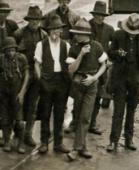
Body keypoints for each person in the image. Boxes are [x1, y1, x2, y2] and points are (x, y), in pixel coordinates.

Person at [106, 13, 139, 152]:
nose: (132, 34)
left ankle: (129, 140)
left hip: (136, 79)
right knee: (118, 110)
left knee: (131, 110)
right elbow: (110, 52)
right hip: (120, 77)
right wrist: (117, 53)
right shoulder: (118, 35)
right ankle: (113, 141)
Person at [66, 18, 107, 161]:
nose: (75, 36)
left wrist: (94, 78)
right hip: (78, 84)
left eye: (78, 33)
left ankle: (75, 149)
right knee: (78, 116)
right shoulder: (74, 48)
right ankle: (83, 147)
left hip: (91, 85)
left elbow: (104, 65)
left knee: (85, 117)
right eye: (75, 33)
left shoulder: (97, 46)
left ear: (85, 34)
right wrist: (81, 54)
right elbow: (71, 70)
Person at [34, 15, 70, 154]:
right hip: (46, 82)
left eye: (58, 29)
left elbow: (69, 64)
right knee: (45, 113)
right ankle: (44, 142)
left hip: (61, 82)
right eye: (53, 29)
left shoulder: (66, 45)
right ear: (48, 31)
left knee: (60, 113)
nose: (55, 32)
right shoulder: (41, 44)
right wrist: (40, 80)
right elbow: (37, 64)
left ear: (61, 31)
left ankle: (58, 143)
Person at [15, 5, 47, 147]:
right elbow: (13, 55)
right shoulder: (19, 34)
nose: (35, 22)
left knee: (33, 105)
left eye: (37, 19)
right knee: (18, 103)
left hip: (37, 74)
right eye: (33, 19)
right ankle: (18, 132)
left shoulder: (44, 35)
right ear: (28, 20)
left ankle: (28, 134)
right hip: (21, 75)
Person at [88, 0, 114, 134]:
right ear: (93, 14)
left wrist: (112, 59)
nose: (100, 17)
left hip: (101, 69)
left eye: (102, 15)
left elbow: (116, 48)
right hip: (85, 67)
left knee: (97, 96)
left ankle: (92, 124)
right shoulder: (86, 26)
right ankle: (75, 123)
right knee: (80, 96)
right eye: (98, 15)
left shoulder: (109, 30)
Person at [0, 37, 29, 153]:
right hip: (3, 94)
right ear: (4, 51)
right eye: (8, 50)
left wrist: (22, 92)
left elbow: (27, 75)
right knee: (5, 118)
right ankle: (7, 140)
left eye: (13, 50)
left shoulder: (21, 58)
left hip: (17, 93)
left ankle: (20, 143)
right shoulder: (1, 59)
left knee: (19, 120)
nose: (11, 52)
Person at [0, 0, 19, 147]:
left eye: (6, 12)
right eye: (1, 12)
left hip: (9, 67)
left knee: (10, 104)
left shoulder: (12, 25)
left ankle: (9, 134)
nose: (3, 15)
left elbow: (15, 44)